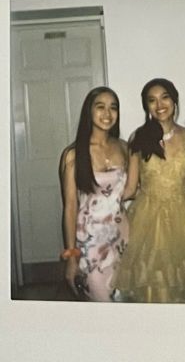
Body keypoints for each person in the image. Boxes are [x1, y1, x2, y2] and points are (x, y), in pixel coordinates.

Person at [113, 79, 185, 303]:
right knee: (157, 288)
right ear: (146, 106)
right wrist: (101, 202)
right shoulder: (139, 137)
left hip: (184, 217)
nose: (159, 105)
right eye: (152, 100)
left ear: (174, 101)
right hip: (148, 221)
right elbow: (130, 187)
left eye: (165, 97)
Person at [59, 87, 128, 302]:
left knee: (125, 301)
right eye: (100, 107)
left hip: (124, 236)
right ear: (89, 111)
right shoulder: (73, 154)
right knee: (102, 300)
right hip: (90, 242)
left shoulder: (124, 147)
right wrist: (71, 257)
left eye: (113, 108)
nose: (107, 114)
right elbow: (70, 208)